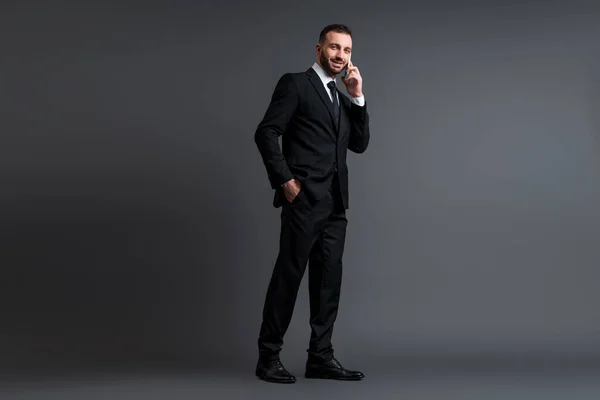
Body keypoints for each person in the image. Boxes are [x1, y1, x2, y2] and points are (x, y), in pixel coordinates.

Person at [253, 23, 370, 384]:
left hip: (335, 204)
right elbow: (266, 132)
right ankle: (268, 357)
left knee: (327, 282)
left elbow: (360, 144)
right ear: (318, 49)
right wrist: (286, 182)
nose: (340, 56)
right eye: (334, 48)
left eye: (347, 50)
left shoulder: (342, 93)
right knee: (288, 278)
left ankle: (320, 357)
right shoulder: (296, 84)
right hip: (304, 201)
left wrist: (358, 96)